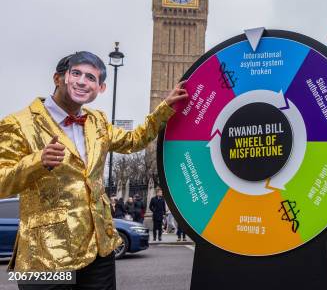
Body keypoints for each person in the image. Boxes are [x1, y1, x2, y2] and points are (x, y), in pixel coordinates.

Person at [0, 51, 187, 289]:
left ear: (100, 88)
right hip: (45, 256)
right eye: (76, 73)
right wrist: (37, 162)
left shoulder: (97, 120)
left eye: (91, 77)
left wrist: (165, 108)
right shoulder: (17, 124)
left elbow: (134, 140)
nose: (82, 81)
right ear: (58, 78)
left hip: (100, 250)